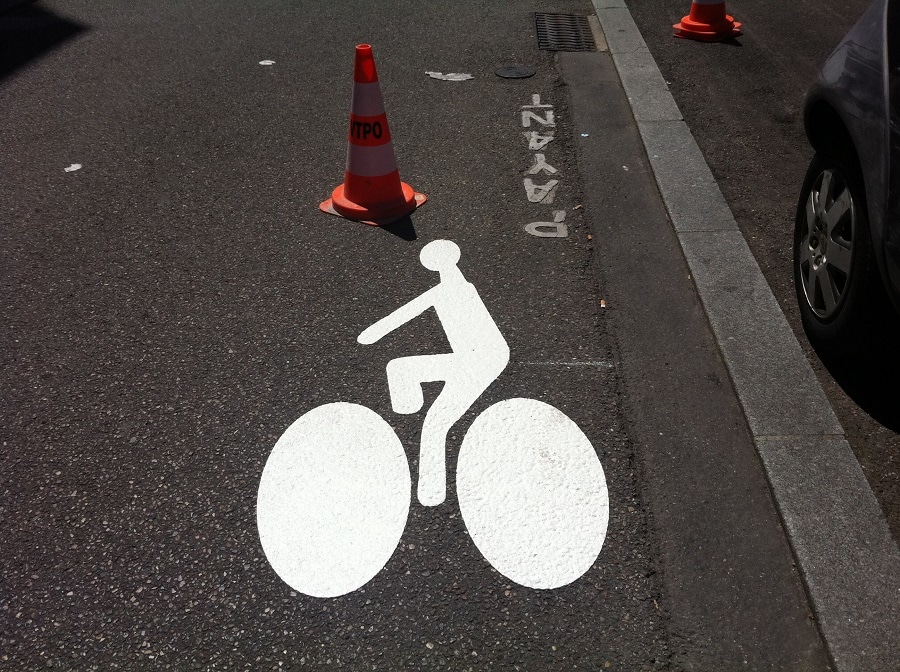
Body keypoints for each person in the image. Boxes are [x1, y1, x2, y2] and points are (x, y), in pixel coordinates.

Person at [358, 240, 510, 506]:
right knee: (407, 379)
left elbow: (404, 314)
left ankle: (431, 489)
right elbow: (405, 313)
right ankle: (409, 412)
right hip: (475, 357)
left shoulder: (451, 290)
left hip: (482, 359)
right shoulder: (449, 290)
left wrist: (371, 334)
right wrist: (372, 334)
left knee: (435, 420)